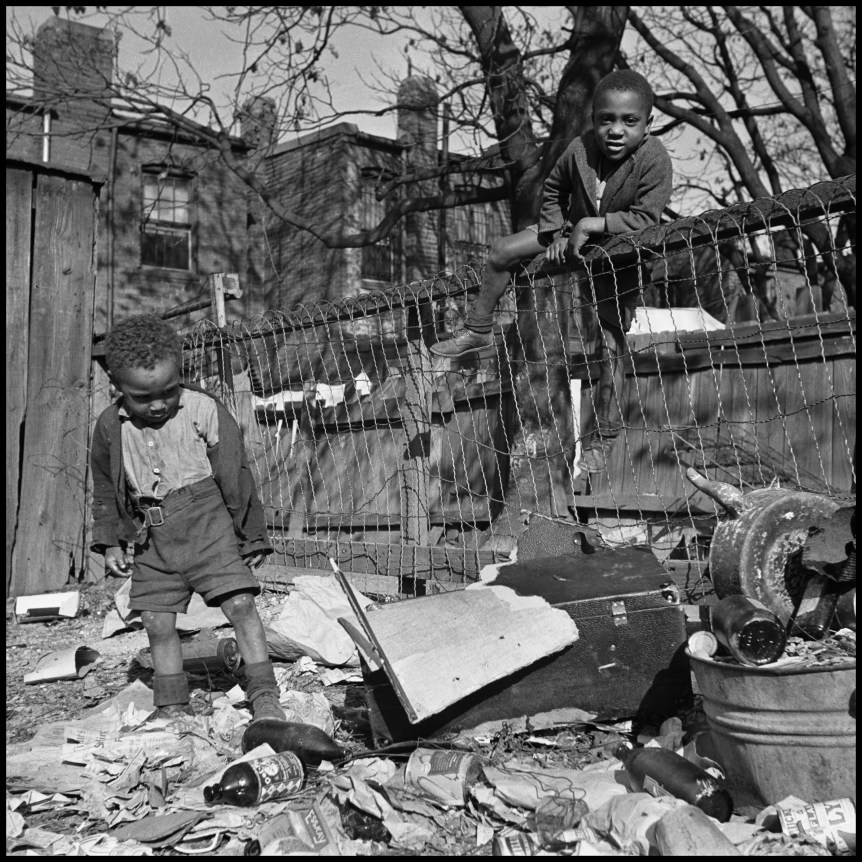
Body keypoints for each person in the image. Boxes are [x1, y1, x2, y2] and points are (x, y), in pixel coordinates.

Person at [431, 69, 673, 473]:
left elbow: (646, 219)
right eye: (605, 119)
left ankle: (603, 435)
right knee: (502, 251)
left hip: (621, 252)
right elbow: (554, 189)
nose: (615, 130)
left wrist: (594, 225)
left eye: (629, 122)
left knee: (609, 343)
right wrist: (558, 230)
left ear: (647, 125)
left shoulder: (654, 159)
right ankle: (477, 328)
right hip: (568, 230)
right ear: (593, 119)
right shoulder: (580, 148)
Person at [90, 314, 286, 721]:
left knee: (242, 605)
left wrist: (250, 535)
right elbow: (106, 488)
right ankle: (172, 706)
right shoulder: (110, 426)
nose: (158, 404)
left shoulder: (203, 409)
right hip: (153, 538)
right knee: (157, 622)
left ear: (180, 374)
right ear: (118, 386)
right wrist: (111, 541)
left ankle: (264, 693)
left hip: (209, 525)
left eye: (168, 391)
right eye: (143, 397)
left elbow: (236, 475)